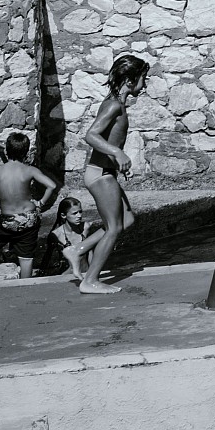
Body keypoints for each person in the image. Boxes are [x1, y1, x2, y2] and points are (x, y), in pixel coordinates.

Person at [78, 54, 147, 293]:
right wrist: (118, 153)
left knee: (127, 220)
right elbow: (91, 135)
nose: (144, 85)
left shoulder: (116, 103)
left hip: (106, 172)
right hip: (100, 174)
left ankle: (78, 249)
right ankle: (90, 281)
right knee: (114, 228)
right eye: (142, 79)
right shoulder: (113, 105)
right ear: (130, 80)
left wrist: (117, 162)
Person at [0, 130, 62, 277]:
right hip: (28, 218)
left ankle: (5, 257)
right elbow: (51, 186)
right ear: (26, 152)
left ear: (7, 150)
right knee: (26, 257)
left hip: (8, 220)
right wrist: (40, 203)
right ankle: (25, 285)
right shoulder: (29, 170)